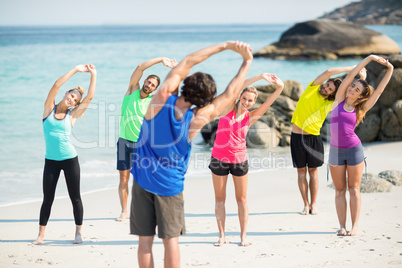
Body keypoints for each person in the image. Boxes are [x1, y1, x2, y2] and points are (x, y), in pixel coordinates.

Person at [130, 41, 253, 268]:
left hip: (142, 180)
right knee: (171, 242)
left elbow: (188, 61)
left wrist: (224, 46)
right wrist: (246, 62)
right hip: (170, 186)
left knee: (145, 242)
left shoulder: (160, 98)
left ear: (185, 84)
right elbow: (230, 95)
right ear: (205, 99)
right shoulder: (195, 120)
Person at [209, 73, 284, 247]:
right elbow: (236, 86)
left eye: (250, 101)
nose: (246, 103)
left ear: (253, 103)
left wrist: (279, 87)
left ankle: (243, 236)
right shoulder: (227, 109)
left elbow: (268, 103)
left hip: (239, 160)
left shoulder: (250, 117)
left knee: (241, 199)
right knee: (220, 199)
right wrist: (260, 77)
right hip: (219, 159)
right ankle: (222, 235)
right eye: (244, 98)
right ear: (239, 97)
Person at [329, 55, 393, 236]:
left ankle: (355, 226)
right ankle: (342, 226)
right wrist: (370, 58)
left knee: (354, 188)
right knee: (339, 190)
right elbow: (351, 76)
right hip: (335, 151)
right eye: (352, 86)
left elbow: (379, 91)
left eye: (356, 89)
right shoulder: (339, 99)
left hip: (354, 150)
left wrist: (390, 70)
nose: (351, 89)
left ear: (361, 95)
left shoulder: (361, 109)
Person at [33, 64, 97, 245]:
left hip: (70, 160)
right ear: (66, 95)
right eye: (71, 95)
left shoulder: (73, 116)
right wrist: (76, 70)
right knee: (48, 199)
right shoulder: (48, 110)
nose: (71, 99)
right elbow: (55, 85)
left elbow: (90, 97)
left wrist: (94, 74)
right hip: (51, 161)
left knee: (75, 197)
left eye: (75, 99)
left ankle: (78, 233)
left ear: (76, 104)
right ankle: (41, 236)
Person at [290, 64, 365, 215]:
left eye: (330, 89)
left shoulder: (331, 103)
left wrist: (362, 79)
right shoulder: (312, 87)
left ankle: (314, 204)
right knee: (300, 172)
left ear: (332, 94)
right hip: (297, 137)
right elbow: (328, 72)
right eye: (327, 85)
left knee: (313, 172)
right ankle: (305, 204)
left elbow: (350, 94)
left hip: (314, 139)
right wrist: (352, 68)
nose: (325, 89)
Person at [116, 57, 177, 222]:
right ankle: (124, 211)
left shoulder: (153, 102)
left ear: (154, 89)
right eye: (148, 82)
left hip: (143, 145)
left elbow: (171, 90)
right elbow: (139, 67)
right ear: (144, 81)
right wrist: (161, 60)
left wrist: (175, 70)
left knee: (145, 178)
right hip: (124, 142)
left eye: (152, 85)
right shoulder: (131, 91)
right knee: (123, 178)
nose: (148, 85)